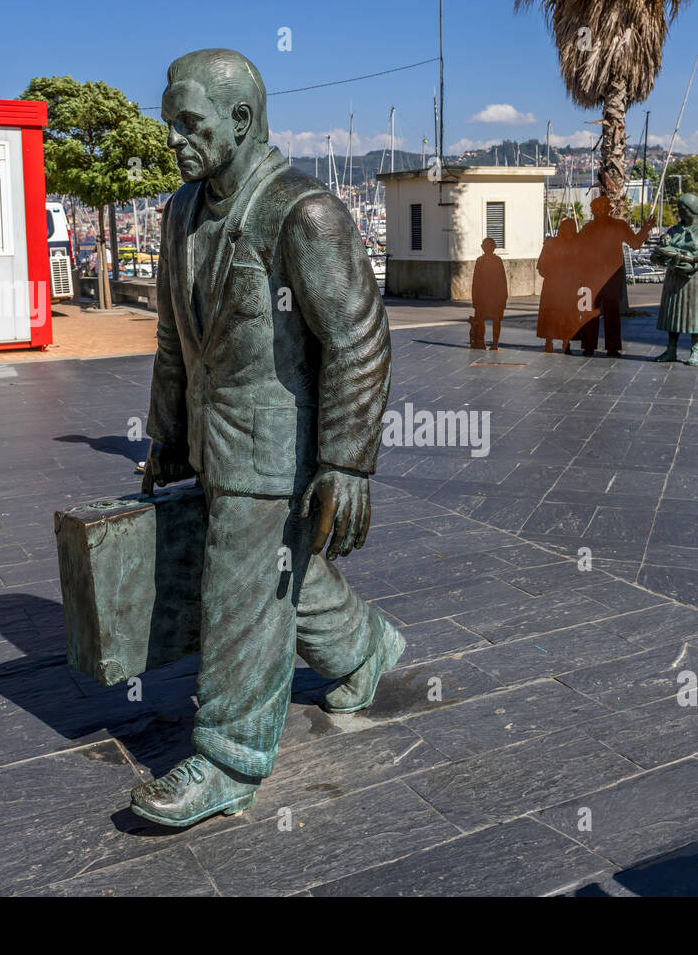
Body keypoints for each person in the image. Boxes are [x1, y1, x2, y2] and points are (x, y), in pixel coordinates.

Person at [135, 48, 405, 828]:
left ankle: (228, 757)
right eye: (171, 125)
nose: (176, 142)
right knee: (288, 575)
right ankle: (365, 649)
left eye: (191, 125)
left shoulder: (304, 212)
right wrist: (164, 430)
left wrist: (347, 462)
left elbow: (358, 335)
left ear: (243, 121)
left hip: (276, 447)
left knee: (239, 591)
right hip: (214, 444)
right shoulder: (180, 211)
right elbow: (169, 338)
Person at [573, 196, 655, 358]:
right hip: (612, 275)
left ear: (595, 210)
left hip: (593, 275)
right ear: (608, 209)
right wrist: (645, 229)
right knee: (612, 311)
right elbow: (636, 243)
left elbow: (577, 250)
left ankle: (589, 346)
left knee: (591, 311)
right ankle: (612, 347)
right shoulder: (619, 226)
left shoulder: (589, 228)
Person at [652, 193, 698, 366]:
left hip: (695, 279)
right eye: (679, 209)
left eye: (683, 209)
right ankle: (671, 349)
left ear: (693, 210)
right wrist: (663, 247)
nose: (680, 212)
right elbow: (665, 244)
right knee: (673, 314)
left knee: (696, 316)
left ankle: (695, 351)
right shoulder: (675, 229)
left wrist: (694, 266)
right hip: (675, 277)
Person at [536, 218, 597, 354]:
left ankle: (556, 343)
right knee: (562, 314)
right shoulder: (572, 245)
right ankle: (560, 343)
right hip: (563, 284)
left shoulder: (555, 244)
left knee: (560, 314)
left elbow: (541, 266)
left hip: (560, 284)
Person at [469, 237, 508, 350]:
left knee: (485, 320)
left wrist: (474, 298)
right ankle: (492, 343)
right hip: (492, 297)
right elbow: (503, 281)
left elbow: (475, 282)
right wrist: (504, 297)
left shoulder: (483, 261)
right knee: (494, 320)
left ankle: (484, 342)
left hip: (485, 297)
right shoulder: (494, 261)